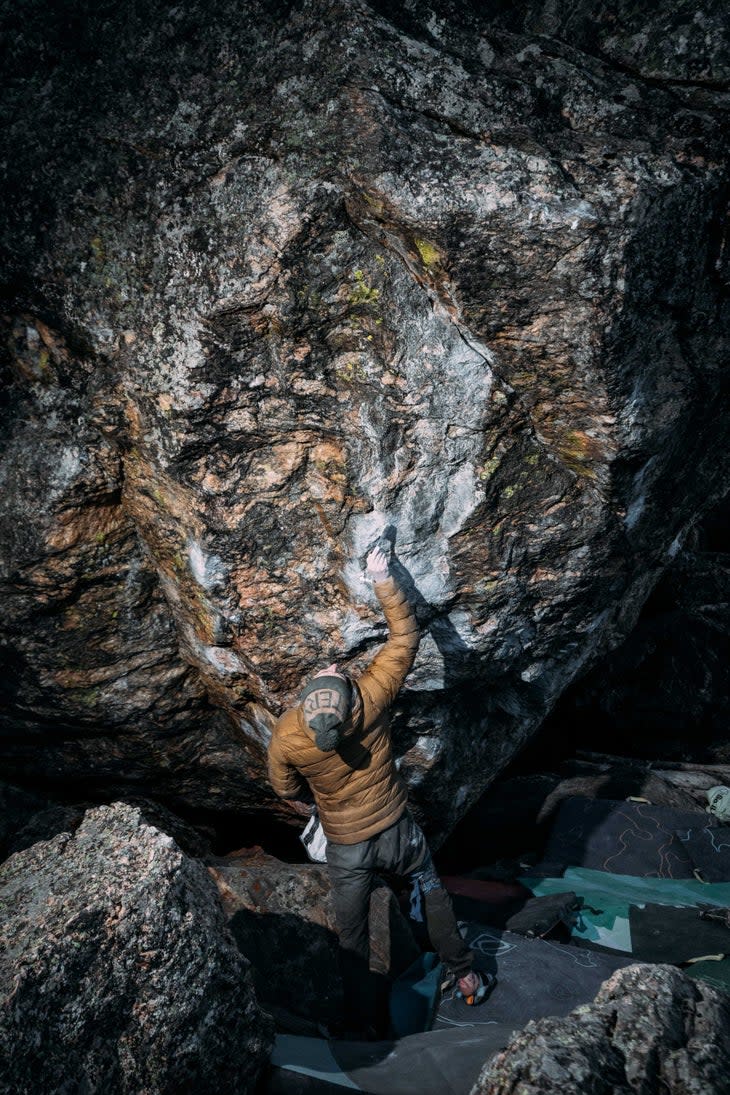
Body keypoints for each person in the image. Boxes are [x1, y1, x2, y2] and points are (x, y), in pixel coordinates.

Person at [267, 543, 489, 1035]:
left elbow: (283, 787)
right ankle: (465, 974)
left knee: (353, 935)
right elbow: (404, 639)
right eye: (332, 676)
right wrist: (381, 577)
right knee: (431, 891)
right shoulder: (369, 698)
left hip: (346, 847)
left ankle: (361, 1023)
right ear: (348, 702)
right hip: (396, 830)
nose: (331, 670)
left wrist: (318, 800)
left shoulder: (287, 734)